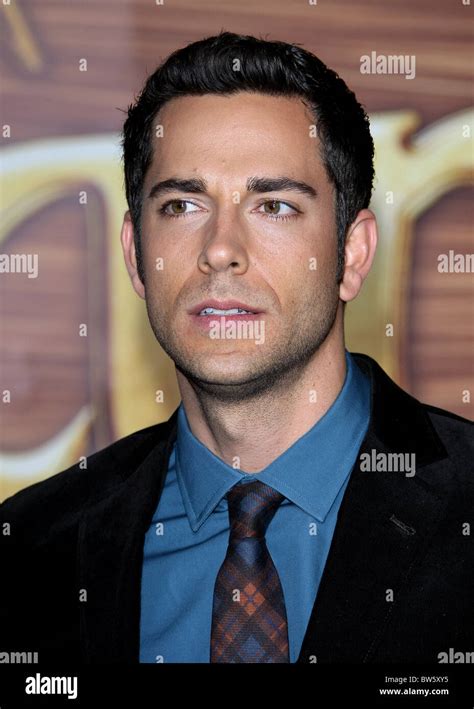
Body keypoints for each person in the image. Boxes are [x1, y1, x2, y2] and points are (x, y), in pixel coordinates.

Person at [1, 31, 472, 665]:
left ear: (352, 254)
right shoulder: (28, 551)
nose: (221, 249)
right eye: (182, 205)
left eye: (273, 205)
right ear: (135, 256)